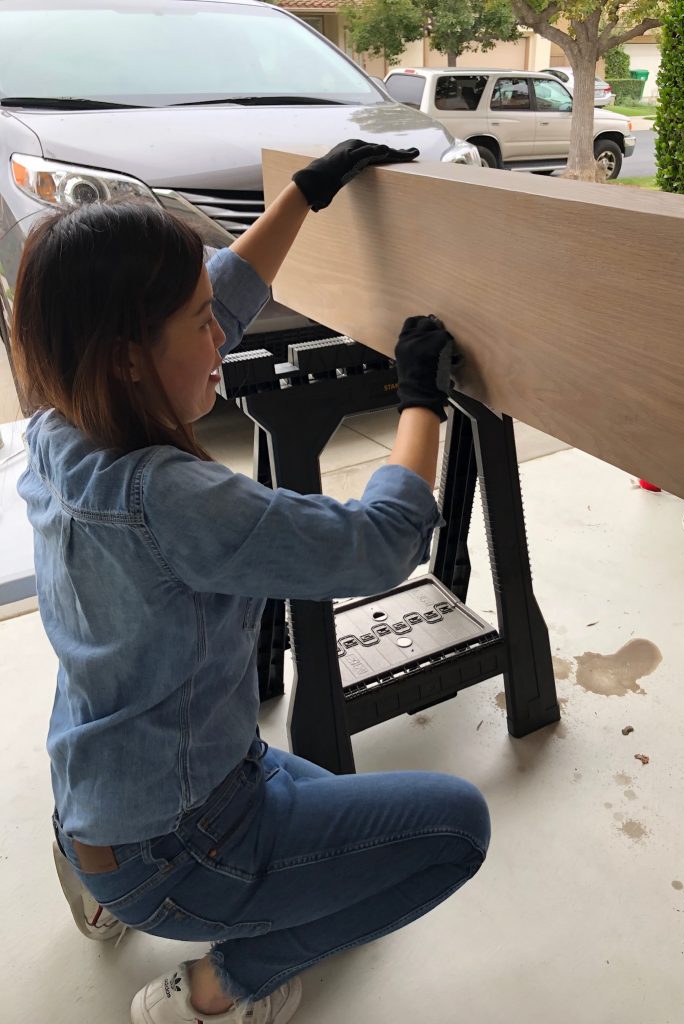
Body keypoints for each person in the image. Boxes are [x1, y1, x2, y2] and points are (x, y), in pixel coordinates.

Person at [12, 140, 491, 1024]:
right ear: (127, 358)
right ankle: (216, 991)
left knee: (342, 822)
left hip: (112, 800)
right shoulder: (172, 499)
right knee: (454, 830)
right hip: (179, 844)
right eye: (202, 325)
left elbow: (214, 300)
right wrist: (421, 401)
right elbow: (383, 542)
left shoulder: (56, 426)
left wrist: (304, 195)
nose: (222, 339)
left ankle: (98, 889)